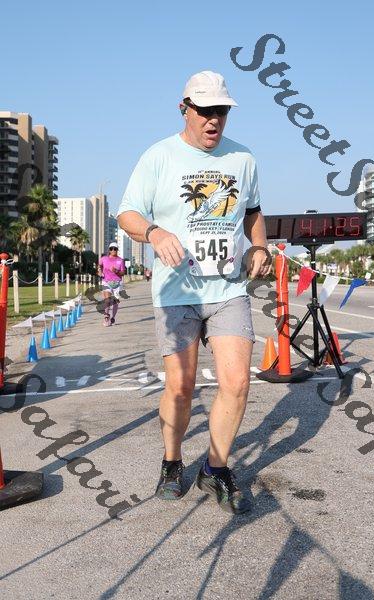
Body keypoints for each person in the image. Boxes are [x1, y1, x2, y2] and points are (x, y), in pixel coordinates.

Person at [118, 70, 270, 514]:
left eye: (221, 110)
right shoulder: (159, 156)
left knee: (237, 383)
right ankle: (172, 461)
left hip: (227, 288)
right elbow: (126, 213)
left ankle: (215, 469)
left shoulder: (243, 158)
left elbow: (253, 211)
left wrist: (259, 246)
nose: (213, 119)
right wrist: (154, 232)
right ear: (184, 109)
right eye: (204, 110)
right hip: (177, 290)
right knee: (181, 386)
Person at [97, 243, 125, 326]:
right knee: (107, 300)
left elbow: (123, 273)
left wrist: (116, 271)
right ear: (109, 250)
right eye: (111, 249)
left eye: (115, 249)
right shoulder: (104, 259)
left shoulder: (120, 260)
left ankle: (113, 317)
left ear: (117, 250)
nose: (113, 250)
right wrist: (99, 271)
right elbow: (99, 265)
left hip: (117, 282)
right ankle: (106, 316)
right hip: (106, 281)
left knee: (115, 302)